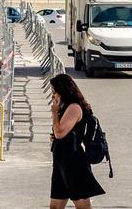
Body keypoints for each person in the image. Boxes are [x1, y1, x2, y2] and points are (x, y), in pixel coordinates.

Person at [49, 73, 105, 208]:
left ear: (63, 91)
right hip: (61, 162)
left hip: (73, 163)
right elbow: (62, 133)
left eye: (54, 92)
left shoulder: (74, 107)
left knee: (81, 204)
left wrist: (54, 113)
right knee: (55, 205)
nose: (53, 96)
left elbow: (60, 133)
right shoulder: (65, 107)